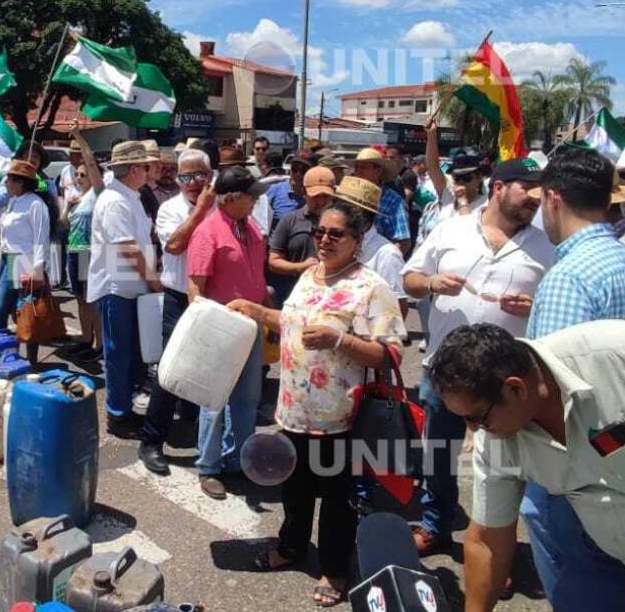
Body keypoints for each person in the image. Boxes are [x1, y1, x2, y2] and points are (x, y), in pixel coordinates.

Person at [229, 199, 407, 607]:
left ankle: (334, 568)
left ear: (357, 241)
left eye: (336, 234)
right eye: (320, 232)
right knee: (295, 489)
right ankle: (291, 547)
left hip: (341, 417)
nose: (325, 240)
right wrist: (256, 310)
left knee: (337, 499)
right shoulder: (310, 275)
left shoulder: (370, 287)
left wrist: (340, 340)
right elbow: (290, 323)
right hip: (293, 410)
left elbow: (391, 354)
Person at [400, 156, 554, 555]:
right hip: (443, 370)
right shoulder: (451, 228)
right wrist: (432, 281)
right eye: (527, 191)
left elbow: (555, 302)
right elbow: (410, 280)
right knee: (439, 455)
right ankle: (435, 524)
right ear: (499, 188)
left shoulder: (545, 244)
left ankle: (493, 547)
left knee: (502, 465)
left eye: (540, 194)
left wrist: (534, 306)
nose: (534, 201)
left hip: (505, 381)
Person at [428, 321, 625, 612]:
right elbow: (487, 542)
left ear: (515, 389)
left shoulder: (614, 356)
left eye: (477, 418)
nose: (474, 430)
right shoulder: (495, 442)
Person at [510, 145, 625, 609]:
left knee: (583, 586)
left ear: (553, 199)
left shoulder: (569, 276)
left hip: (577, 474)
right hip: (614, 451)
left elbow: (550, 393)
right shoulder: (617, 258)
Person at [187, 166, 269, 499]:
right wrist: (206, 329)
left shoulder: (248, 227)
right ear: (232, 198)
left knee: (247, 397)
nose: (255, 202)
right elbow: (195, 287)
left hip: (250, 326)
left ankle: (237, 459)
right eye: (251, 196)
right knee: (214, 400)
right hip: (222, 329)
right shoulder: (208, 232)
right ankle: (208, 466)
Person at [137, 149, 215, 474]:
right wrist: (199, 212)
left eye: (199, 175)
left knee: (207, 369)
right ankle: (151, 441)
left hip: (212, 301)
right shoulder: (169, 209)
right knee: (169, 370)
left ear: (209, 177)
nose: (192, 183)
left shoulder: (223, 208)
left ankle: (195, 425)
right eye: (185, 177)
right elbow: (175, 245)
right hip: (178, 298)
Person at [88, 141, 161, 437]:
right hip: (115, 289)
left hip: (130, 289)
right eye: (145, 166)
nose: (149, 171)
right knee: (118, 355)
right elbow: (129, 249)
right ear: (133, 169)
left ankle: (124, 407)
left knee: (130, 354)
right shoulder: (115, 201)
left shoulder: (130, 196)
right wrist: (154, 279)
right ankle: (117, 415)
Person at [0, 160, 50, 363]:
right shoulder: (14, 201)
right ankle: (8, 353)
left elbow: (41, 238)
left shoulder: (35, 204)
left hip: (23, 261)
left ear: (20, 182)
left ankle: (7, 354)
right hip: (8, 259)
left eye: (8, 179)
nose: (5, 183)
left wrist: (38, 268)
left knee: (14, 311)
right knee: (19, 310)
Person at [60, 125, 105, 362]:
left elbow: (90, 162)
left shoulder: (98, 194)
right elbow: (64, 223)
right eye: (76, 174)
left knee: (91, 299)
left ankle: (99, 343)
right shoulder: (78, 197)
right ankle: (86, 337)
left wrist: (78, 136)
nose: (79, 177)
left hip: (89, 252)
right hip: (74, 251)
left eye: (83, 174)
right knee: (79, 297)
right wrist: (68, 205)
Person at [333, 177, 407, 306]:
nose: (335, 214)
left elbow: (398, 307)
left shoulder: (386, 255)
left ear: (362, 217)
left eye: (343, 210)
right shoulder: (332, 242)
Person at [267, 166, 335, 303]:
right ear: (304, 193)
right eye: (316, 197)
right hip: (292, 297)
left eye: (325, 196)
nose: (321, 202)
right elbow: (273, 261)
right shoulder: (289, 220)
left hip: (329, 298)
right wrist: (300, 267)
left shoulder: (340, 224)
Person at [351, 147, 411, 251]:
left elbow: (403, 242)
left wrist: (382, 260)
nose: (358, 172)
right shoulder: (349, 195)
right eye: (356, 168)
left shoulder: (393, 201)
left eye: (363, 168)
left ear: (378, 171)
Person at [255, 153, 310, 236]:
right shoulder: (274, 191)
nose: (298, 174)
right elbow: (260, 224)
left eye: (303, 171)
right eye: (295, 169)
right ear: (290, 170)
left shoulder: (312, 195)